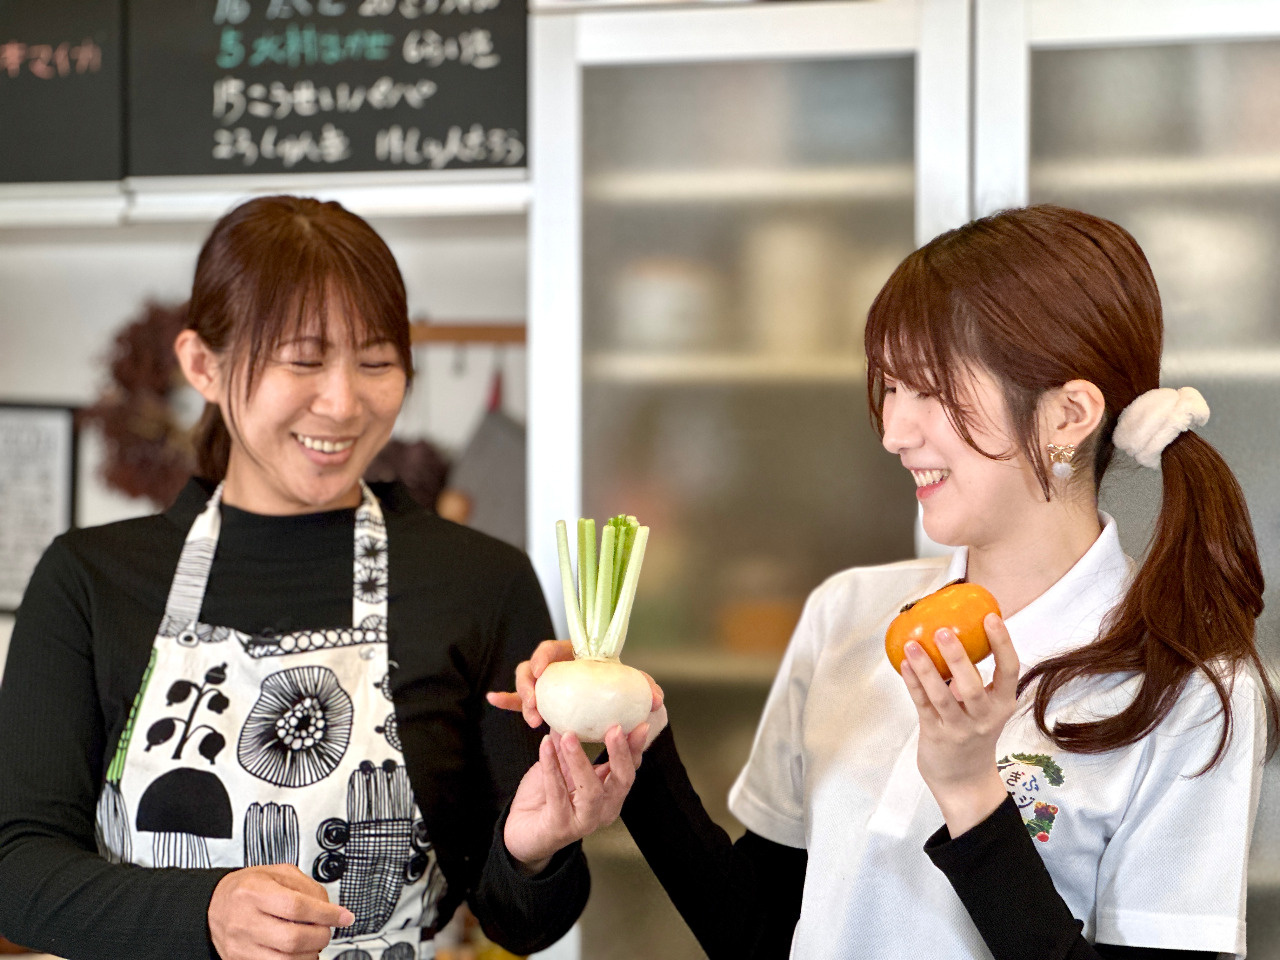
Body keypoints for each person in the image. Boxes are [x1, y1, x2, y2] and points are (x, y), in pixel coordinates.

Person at [494, 205, 1279, 958]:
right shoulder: (847, 613)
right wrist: (632, 736)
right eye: (893, 388)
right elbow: (761, 937)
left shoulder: (1194, 692)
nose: (896, 431)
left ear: (1068, 415)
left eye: (932, 390)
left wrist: (972, 795)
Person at [0, 195, 645, 960]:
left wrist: (535, 849)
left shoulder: (481, 583)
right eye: (303, 361)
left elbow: (523, 922)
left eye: (376, 362)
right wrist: (205, 913)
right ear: (203, 365)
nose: (343, 404)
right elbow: (17, 868)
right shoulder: (91, 580)